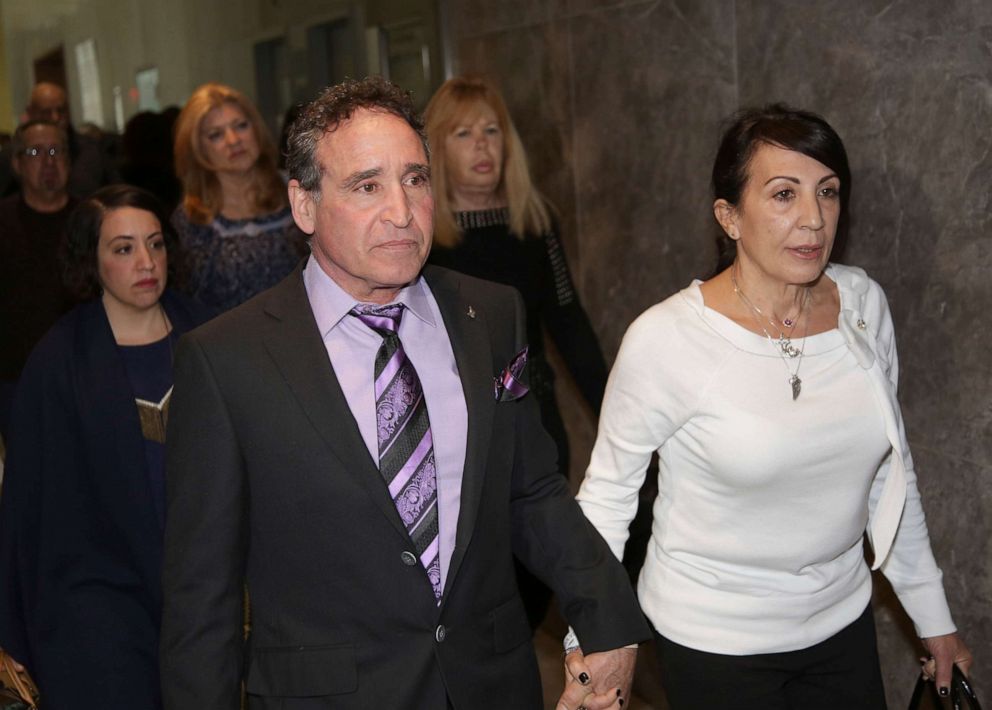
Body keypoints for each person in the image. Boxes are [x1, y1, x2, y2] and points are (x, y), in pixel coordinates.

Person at [159, 76, 648, 710]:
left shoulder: (491, 316)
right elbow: (203, 594)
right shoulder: (227, 361)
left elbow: (532, 491)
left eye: (415, 179)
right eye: (367, 186)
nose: (401, 210)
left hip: (491, 683)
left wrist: (608, 618)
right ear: (303, 205)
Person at [573, 104, 973, 709]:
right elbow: (606, 498)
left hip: (841, 629)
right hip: (713, 644)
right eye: (784, 194)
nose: (814, 219)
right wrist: (593, 639)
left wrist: (934, 618)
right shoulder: (667, 339)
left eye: (828, 192)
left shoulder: (863, 305)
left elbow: (893, 473)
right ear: (729, 217)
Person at [0, 185, 213, 709]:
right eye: (123, 248)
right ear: (91, 260)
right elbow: (25, 503)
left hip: (201, 592)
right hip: (97, 601)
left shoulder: (210, 338)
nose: (146, 262)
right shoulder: (57, 363)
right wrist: (8, 627)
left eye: (156, 244)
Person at [425, 75, 608, 479]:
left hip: (535, 418)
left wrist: (618, 423)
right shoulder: (421, 236)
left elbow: (570, 325)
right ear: (438, 148)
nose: (481, 144)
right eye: (463, 133)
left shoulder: (536, 223)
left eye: (492, 130)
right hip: (455, 430)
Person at [172, 82, 307, 313]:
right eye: (216, 135)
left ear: (256, 129)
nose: (233, 140)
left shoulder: (299, 191)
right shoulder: (191, 220)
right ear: (197, 148)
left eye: (241, 126)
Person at [0, 120, 76, 439]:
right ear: (17, 163)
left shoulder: (92, 220)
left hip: (82, 374)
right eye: (35, 151)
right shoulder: (3, 222)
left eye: (56, 150)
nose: (48, 161)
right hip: (15, 377)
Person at [0, 82, 120, 199]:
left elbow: (117, 193)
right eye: (46, 112)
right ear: (31, 112)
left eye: (61, 111)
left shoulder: (91, 150)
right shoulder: (11, 155)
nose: (55, 118)